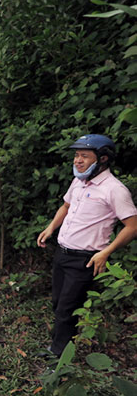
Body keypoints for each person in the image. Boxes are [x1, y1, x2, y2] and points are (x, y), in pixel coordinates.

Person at [37, 134, 137, 357]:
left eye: (84, 156)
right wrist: (51, 228)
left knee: (67, 309)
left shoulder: (115, 189)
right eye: (76, 155)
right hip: (62, 252)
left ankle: (59, 357)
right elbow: (65, 206)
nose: (77, 160)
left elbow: (132, 226)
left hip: (85, 258)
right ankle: (58, 345)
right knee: (57, 303)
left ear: (102, 159)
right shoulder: (79, 182)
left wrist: (107, 252)